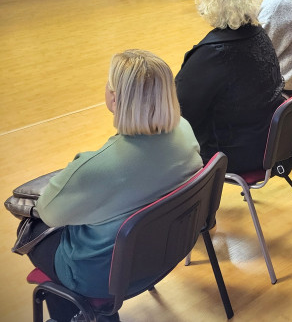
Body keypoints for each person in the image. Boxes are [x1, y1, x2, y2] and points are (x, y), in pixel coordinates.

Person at [31, 50, 202, 322]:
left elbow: (48, 212)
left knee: (33, 228)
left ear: (114, 97)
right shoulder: (184, 129)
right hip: (166, 252)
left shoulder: (97, 168)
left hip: (103, 277)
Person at [176, 0, 284, 173]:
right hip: (269, 139)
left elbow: (180, 113)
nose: (198, 1)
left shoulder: (211, 53)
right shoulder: (259, 34)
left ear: (213, 1)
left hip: (232, 153)